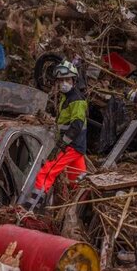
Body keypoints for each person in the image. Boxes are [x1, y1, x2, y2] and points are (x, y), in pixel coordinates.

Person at [24, 60, 87, 212]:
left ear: (74, 80)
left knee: (46, 173)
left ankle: (29, 210)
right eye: (61, 81)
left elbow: (76, 125)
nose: (64, 83)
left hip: (71, 145)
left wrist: (62, 145)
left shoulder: (76, 100)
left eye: (68, 80)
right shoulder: (67, 97)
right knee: (78, 180)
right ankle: (84, 209)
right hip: (77, 146)